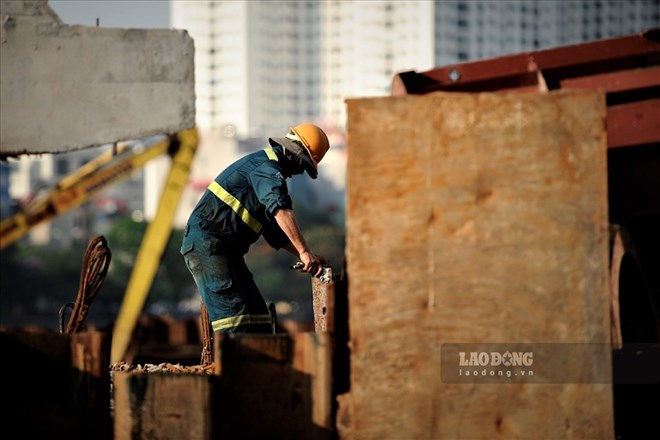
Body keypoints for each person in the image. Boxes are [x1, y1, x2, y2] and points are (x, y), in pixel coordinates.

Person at [180, 123, 330, 334]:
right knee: (235, 321)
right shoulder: (265, 169)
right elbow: (280, 209)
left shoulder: (264, 172)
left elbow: (275, 232)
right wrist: (304, 252)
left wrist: (307, 255)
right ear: (295, 155)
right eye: (303, 166)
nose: (298, 173)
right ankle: (235, 365)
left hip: (225, 251)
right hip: (209, 247)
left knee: (259, 321)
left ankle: (256, 364)